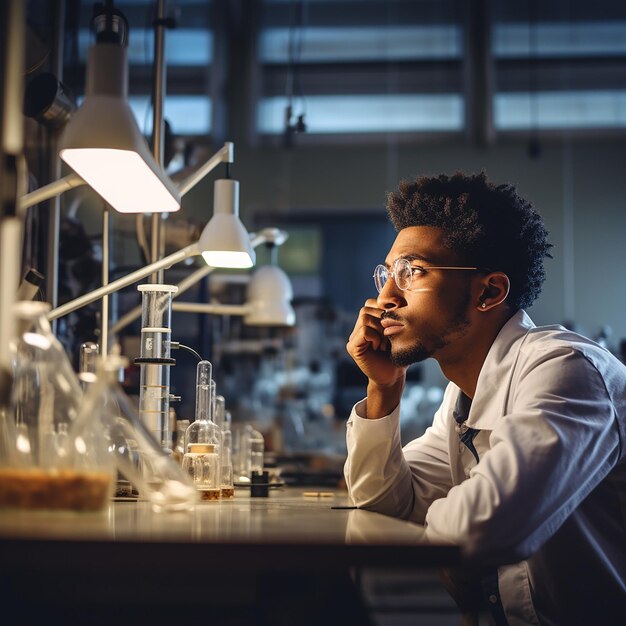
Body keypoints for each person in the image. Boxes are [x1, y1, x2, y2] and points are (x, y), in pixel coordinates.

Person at [344, 172, 626, 625]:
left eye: (411, 273)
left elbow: (484, 528)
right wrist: (384, 388)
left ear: (489, 291)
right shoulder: (461, 397)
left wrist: (450, 533)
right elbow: (386, 507)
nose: (384, 298)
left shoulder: (567, 369)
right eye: (387, 274)